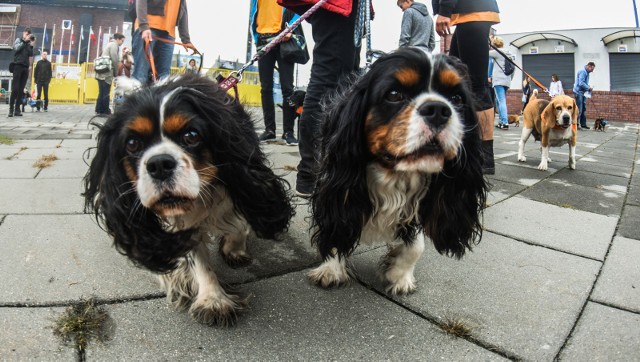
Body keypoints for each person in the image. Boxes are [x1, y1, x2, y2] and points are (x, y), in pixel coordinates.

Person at [278, 0, 362, 196]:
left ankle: (328, 169)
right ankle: (309, 172)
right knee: (328, 77)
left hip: (348, 7)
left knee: (346, 81)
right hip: (338, 5)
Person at [433, 0, 500, 175]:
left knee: (477, 86)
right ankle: (464, 145)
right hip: (467, 16)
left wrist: (445, 11)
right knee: (457, 84)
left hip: (473, 13)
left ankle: (485, 157)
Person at [250, 0, 299, 146]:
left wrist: (291, 27)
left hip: (284, 39)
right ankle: (269, 130)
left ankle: (288, 132)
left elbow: (299, 9)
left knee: (287, 89)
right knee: (265, 88)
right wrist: (256, 38)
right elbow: (254, 13)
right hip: (263, 40)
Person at [131, 0, 196, 84]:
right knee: (140, 75)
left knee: (164, 78)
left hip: (169, 33)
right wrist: (143, 26)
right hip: (149, 27)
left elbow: (183, 12)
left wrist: (186, 39)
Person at [95, 33, 125, 116]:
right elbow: (114, 59)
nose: (122, 43)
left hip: (100, 72)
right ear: (118, 39)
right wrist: (116, 72)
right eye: (122, 41)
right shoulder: (114, 45)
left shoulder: (108, 44)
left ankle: (99, 109)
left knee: (101, 92)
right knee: (106, 92)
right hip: (107, 73)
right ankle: (106, 110)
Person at [8, 29, 34, 117]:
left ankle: (17, 110)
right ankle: (11, 109)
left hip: (25, 68)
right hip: (17, 66)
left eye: (29, 35)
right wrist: (24, 41)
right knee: (15, 89)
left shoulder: (28, 44)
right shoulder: (18, 40)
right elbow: (16, 49)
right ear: (23, 33)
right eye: (27, 34)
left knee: (21, 90)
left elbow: (30, 54)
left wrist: (31, 45)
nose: (28, 36)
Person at [488, 36, 513, 130]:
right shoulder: (509, 53)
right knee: (499, 101)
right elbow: (512, 69)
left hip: (498, 80)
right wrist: (510, 79)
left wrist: (489, 42)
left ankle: (505, 122)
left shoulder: (496, 52)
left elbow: (485, 53)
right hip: (507, 80)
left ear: (495, 44)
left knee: (501, 101)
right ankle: (501, 122)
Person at [573, 62, 595, 130]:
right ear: (589, 66)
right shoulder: (583, 72)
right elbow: (581, 83)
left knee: (583, 108)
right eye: (592, 69)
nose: (592, 71)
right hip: (579, 92)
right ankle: (576, 124)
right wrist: (588, 88)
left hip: (583, 92)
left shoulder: (587, 72)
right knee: (579, 109)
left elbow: (584, 83)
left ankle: (583, 124)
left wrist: (588, 87)